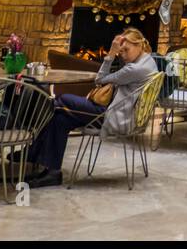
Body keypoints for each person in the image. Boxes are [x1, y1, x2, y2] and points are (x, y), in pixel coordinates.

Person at [25, 27, 158, 188]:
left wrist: (111, 54)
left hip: (113, 117)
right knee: (60, 117)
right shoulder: (148, 61)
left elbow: (100, 79)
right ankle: (52, 172)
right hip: (124, 114)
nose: (122, 54)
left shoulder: (134, 69)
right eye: (121, 51)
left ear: (139, 45)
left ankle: (32, 152)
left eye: (125, 50)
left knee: (62, 100)